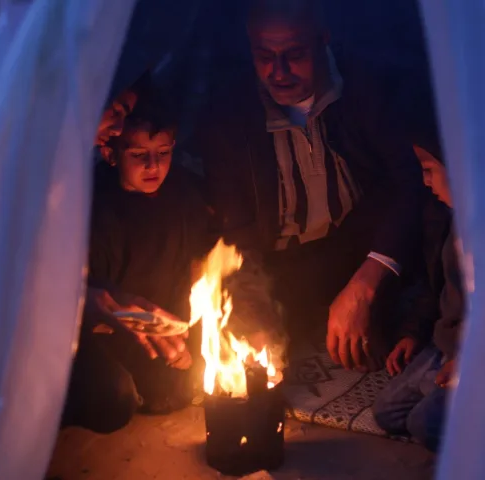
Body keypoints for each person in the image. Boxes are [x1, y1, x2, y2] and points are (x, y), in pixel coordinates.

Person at [190, 0, 425, 370]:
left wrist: (365, 285)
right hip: (281, 264)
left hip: (356, 249)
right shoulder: (229, 113)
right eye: (265, 57)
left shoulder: (364, 87)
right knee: (238, 355)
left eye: (294, 55)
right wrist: (252, 301)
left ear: (323, 40)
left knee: (373, 350)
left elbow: (409, 182)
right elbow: (237, 228)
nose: (279, 71)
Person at [63, 89, 212, 433]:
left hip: (168, 325)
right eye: (139, 155)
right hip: (112, 331)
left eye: (163, 153)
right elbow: (89, 304)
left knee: (190, 379)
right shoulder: (96, 209)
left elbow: (196, 268)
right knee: (119, 397)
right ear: (110, 152)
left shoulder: (183, 195)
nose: (153, 166)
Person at [373, 146, 466, 451]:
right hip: (447, 344)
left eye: (430, 170)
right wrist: (414, 333)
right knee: (388, 412)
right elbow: (436, 285)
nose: (426, 181)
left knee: (423, 425)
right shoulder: (447, 217)